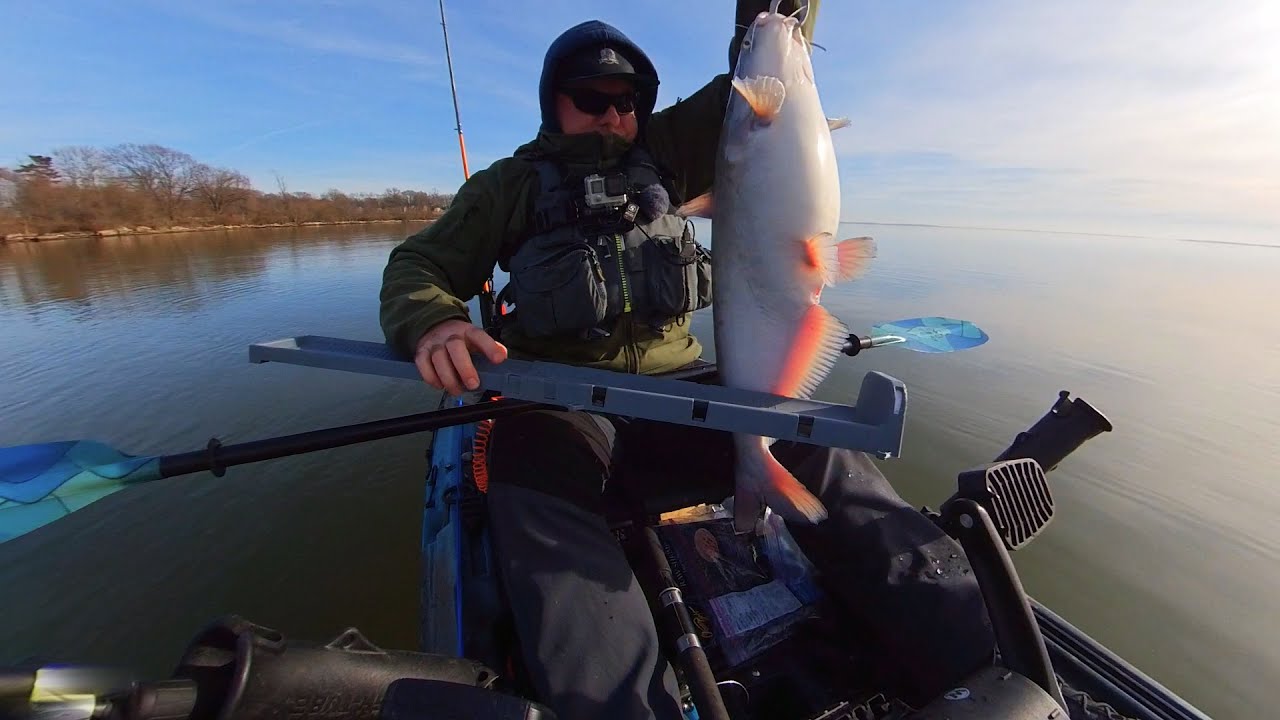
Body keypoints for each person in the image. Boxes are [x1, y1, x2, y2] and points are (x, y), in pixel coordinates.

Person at [379, 5, 995, 719]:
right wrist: (435, 322)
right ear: (554, 102)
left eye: (628, 101)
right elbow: (418, 265)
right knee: (526, 467)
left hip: (690, 399)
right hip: (572, 410)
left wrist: (778, 18)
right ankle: (623, 704)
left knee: (819, 441)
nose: (614, 114)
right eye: (592, 98)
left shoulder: (671, 152)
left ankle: (972, 643)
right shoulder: (506, 187)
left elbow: (759, 68)